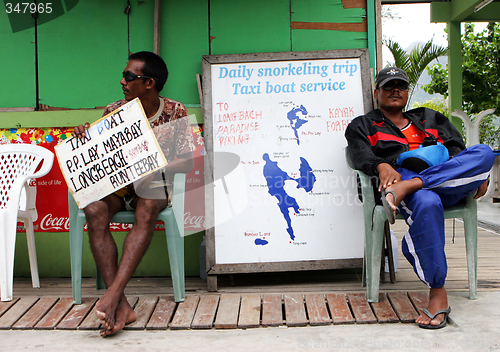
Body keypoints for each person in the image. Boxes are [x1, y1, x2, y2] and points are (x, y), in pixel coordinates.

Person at [345, 67, 495, 329]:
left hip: (433, 182)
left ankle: (414, 185)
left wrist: (478, 174)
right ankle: (438, 293)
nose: (395, 90)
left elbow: (460, 151)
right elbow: (360, 156)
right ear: (376, 92)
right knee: (426, 201)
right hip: (401, 177)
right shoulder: (364, 125)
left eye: (401, 86)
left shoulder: (429, 118)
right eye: (389, 85)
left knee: (483, 152)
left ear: (406, 93)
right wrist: (381, 167)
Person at [72, 51, 195, 336]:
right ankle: (122, 303)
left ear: (149, 83)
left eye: (129, 77)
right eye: (124, 76)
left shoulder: (176, 112)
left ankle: (112, 294)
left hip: (153, 185)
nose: (122, 81)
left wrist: (152, 167)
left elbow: (187, 161)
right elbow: (99, 153)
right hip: (119, 186)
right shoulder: (114, 109)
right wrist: (83, 137)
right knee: (93, 209)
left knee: (149, 205)